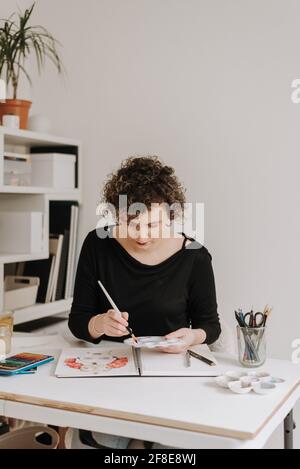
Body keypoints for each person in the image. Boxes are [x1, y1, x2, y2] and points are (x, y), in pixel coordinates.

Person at [68, 155, 221, 449]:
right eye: (131, 224)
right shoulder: (97, 246)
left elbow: (210, 326)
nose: (142, 235)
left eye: (153, 225)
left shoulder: (194, 256)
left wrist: (191, 337)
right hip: (111, 375)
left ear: (171, 216)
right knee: (100, 440)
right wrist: (99, 324)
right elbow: (78, 321)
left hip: (170, 379)